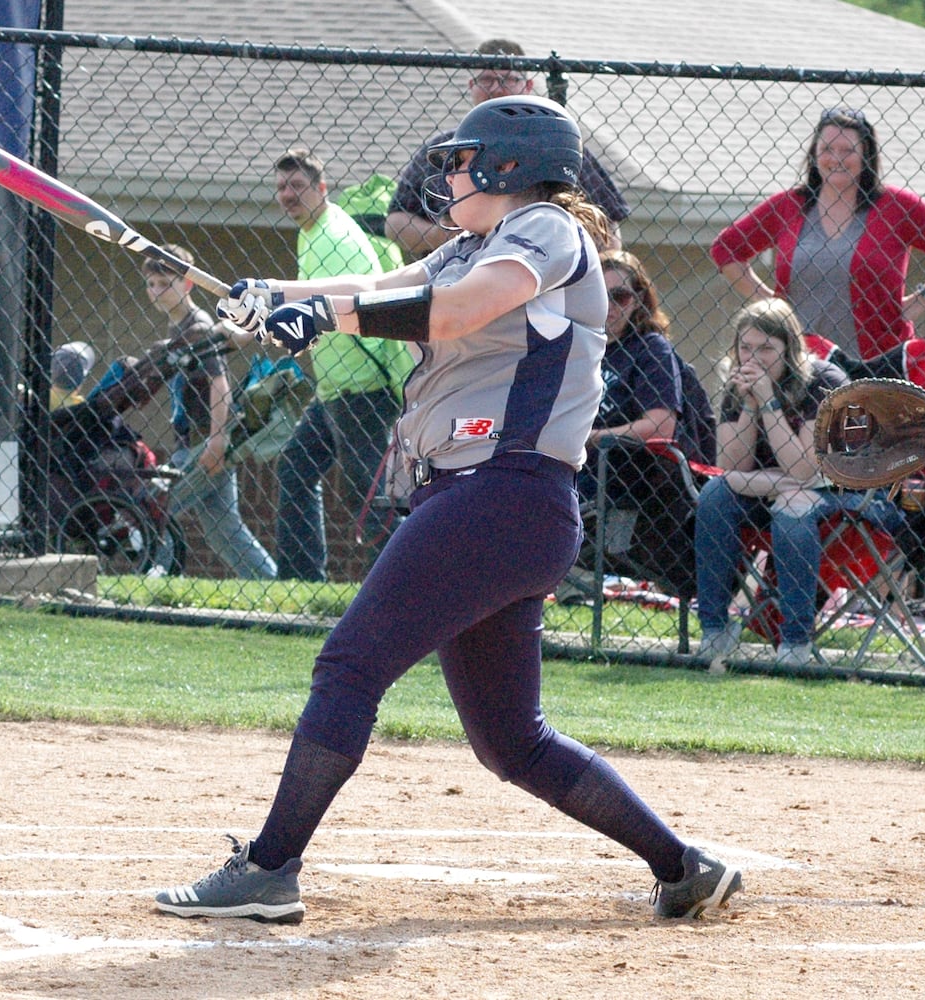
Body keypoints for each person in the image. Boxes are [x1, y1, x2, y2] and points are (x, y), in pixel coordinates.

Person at [153, 95, 742, 923]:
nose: (449, 175)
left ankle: (270, 866)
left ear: (509, 164)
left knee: (349, 667)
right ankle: (684, 868)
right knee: (512, 742)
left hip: (497, 495)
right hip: (494, 506)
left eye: (463, 161)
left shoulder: (543, 229)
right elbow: (372, 286)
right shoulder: (473, 244)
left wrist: (321, 312)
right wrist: (268, 294)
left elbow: (460, 309)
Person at [692, 298, 904, 673]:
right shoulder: (737, 382)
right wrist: (751, 405)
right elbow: (730, 467)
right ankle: (714, 629)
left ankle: (795, 640)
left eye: (766, 349)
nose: (753, 358)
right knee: (713, 496)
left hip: (843, 493)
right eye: (745, 347)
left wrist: (770, 404)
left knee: (793, 507)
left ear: (789, 349)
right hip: (774, 488)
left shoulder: (823, 381)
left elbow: (803, 469)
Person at [268, 147, 413, 581]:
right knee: (295, 468)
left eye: (297, 186)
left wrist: (273, 322)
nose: (288, 195)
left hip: (362, 389)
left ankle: (392, 590)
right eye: (281, 187)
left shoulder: (332, 237)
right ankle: (300, 579)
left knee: (369, 500)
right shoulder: (311, 230)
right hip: (334, 388)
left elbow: (336, 308)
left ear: (321, 189)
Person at [710, 105, 925, 364]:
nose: (836, 158)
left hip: (878, 364)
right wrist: (772, 306)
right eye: (827, 149)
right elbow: (726, 248)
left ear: (866, 155)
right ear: (814, 154)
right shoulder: (789, 206)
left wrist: (922, 299)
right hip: (801, 365)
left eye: (848, 150)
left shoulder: (898, 206)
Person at [384, 38, 629, 261]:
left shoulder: (559, 146)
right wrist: (448, 236)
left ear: (529, 85)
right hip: (455, 268)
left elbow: (610, 232)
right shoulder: (446, 147)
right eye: (487, 80)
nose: (498, 88)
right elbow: (395, 223)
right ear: (472, 85)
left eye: (509, 79)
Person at [135, 246, 275, 579]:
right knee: (224, 532)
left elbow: (219, 382)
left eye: (164, 283)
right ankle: (272, 585)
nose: (156, 291)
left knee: (156, 508)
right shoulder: (179, 328)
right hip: (194, 441)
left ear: (187, 284)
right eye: (151, 283)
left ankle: (157, 578)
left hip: (203, 443)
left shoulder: (197, 327)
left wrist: (217, 438)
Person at [571, 249, 703, 600]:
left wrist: (592, 438)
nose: (611, 306)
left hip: (627, 478)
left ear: (639, 301)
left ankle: (561, 572)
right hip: (577, 468)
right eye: (601, 294)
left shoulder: (649, 349)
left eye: (621, 296)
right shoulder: (580, 347)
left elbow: (660, 427)